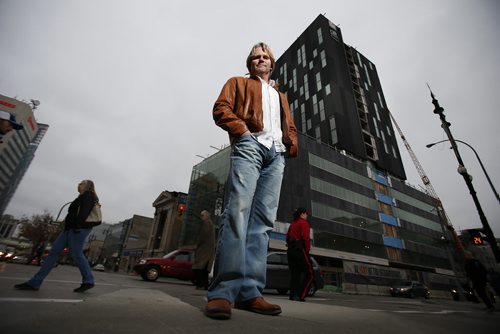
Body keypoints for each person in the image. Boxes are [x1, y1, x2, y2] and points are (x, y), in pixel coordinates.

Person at [205, 42, 298, 320]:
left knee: (262, 225)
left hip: (276, 155)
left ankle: (251, 292)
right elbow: (221, 108)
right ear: (250, 62)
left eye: (265, 56)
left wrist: (290, 143)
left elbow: (288, 125)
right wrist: (243, 131)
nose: (260, 59)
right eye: (256, 56)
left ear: (271, 63)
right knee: (237, 214)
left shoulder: (280, 95)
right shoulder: (237, 83)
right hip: (249, 145)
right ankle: (223, 292)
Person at [14, 179, 100, 293]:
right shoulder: (80, 197)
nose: (78, 185)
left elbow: (83, 213)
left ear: (88, 186)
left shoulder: (88, 196)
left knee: (77, 254)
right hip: (68, 230)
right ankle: (34, 282)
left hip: (78, 229)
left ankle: (89, 280)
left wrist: (78, 226)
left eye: (81, 184)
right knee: (54, 252)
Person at [286, 207, 313, 302]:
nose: (307, 216)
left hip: (290, 251)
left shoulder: (292, 224)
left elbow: (287, 237)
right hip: (300, 250)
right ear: (302, 214)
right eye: (306, 214)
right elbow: (306, 238)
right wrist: (307, 250)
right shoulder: (304, 223)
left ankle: (293, 296)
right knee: (310, 273)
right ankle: (301, 295)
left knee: (295, 274)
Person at [192, 210, 216, 290]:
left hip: (204, 250)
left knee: (199, 268)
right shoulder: (210, 224)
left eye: (202, 215)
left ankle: (201, 285)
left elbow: (203, 236)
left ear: (207, 216)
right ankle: (204, 285)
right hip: (207, 251)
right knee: (204, 270)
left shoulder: (206, 223)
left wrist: (197, 244)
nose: (201, 217)